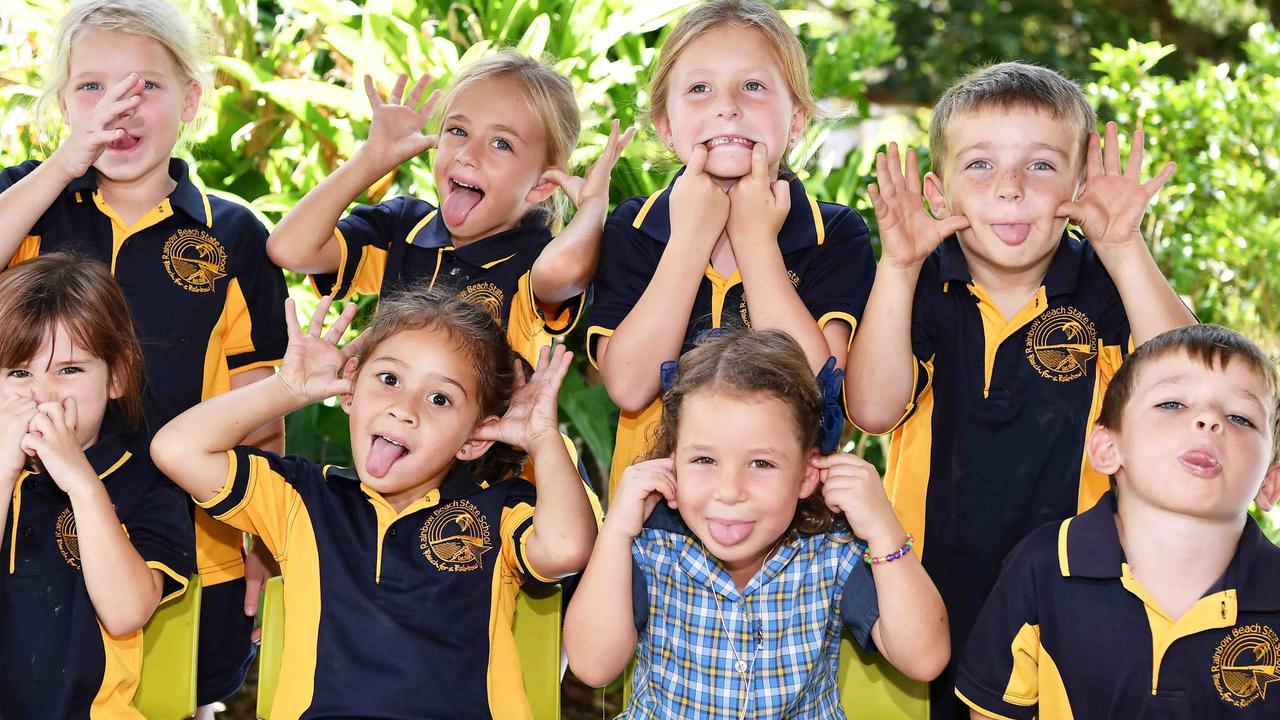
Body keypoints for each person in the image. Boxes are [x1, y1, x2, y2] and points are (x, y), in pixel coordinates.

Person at [844, 61, 1196, 718]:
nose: (1009, 189)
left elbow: (1189, 385)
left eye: (1039, 166)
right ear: (937, 191)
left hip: (1079, 600)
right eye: (979, 165)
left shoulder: (1106, 285)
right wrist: (896, 266)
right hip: (928, 595)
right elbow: (870, 409)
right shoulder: (916, 289)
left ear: (1080, 184)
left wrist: (1123, 250)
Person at [0, 1, 291, 711]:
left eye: (146, 87)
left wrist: (262, 540)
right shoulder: (29, 200)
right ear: (62, 102)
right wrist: (65, 162)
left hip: (188, 538)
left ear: (191, 99)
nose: (119, 108)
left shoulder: (235, 235)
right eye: (93, 87)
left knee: (172, 695)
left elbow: (259, 403)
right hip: (22, 519)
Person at [151, 288, 599, 719]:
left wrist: (542, 438)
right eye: (389, 379)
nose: (404, 408)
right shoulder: (301, 497)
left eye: (440, 398)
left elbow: (566, 549)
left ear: (475, 439)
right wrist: (288, 388)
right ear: (349, 392)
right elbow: (176, 450)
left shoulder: (498, 513)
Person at [565, 329, 948, 718]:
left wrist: (884, 531)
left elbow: (924, 659)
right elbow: (593, 665)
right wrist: (615, 533)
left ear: (806, 475)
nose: (730, 492)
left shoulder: (830, 553)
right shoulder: (651, 546)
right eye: (704, 461)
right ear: (672, 464)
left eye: (761, 464)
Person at [587, 0, 876, 493]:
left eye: (754, 86)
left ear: (797, 119)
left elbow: (815, 393)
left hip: (788, 525)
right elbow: (630, 386)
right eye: (700, 88)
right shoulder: (634, 226)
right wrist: (690, 240)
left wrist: (756, 242)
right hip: (653, 520)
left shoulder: (835, 233)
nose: (728, 105)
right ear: (666, 126)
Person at [958, 324, 1280, 719]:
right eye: (1173, 404)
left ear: (1269, 481)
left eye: (1240, 417)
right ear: (1107, 448)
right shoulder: (1041, 568)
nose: (1209, 421)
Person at [267, 50, 633, 366]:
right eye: (457, 131)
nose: (468, 155)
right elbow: (290, 248)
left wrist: (592, 205)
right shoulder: (402, 229)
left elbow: (569, 269)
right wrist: (371, 159)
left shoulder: (534, 260)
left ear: (543, 183)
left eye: (501, 144)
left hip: (497, 450)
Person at [0, 255, 194, 719]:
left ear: (118, 376)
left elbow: (126, 613)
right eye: (19, 372)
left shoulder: (150, 476)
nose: (43, 394)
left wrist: (81, 484)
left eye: (69, 370)